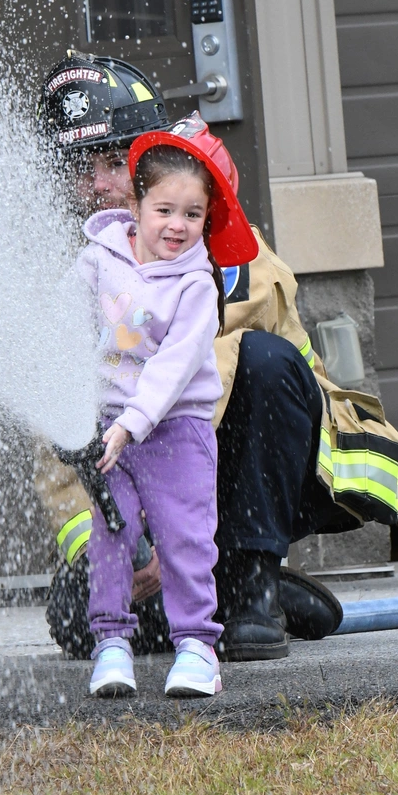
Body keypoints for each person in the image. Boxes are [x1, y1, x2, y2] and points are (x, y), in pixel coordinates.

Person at [38, 52, 398, 663]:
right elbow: (56, 445)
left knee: (263, 358)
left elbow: (264, 382)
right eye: (82, 170)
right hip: (144, 498)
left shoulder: (225, 248)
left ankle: (251, 575)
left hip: (229, 474)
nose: (98, 183)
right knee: (76, 621)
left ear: (151, 164)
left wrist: (182, 522)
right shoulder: (80, 269)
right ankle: (222, 590)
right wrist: (124, 547)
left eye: (112, 162)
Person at [79, 114, 259, 699]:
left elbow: (173, 366)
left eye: (193, 215)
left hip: (176, 430)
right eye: (164, 211)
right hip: (110, 432)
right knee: (112, 532)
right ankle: (110, 643)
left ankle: (197, 647)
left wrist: (132, 425)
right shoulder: (97, 261)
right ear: (136, 203)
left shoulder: (197, 285)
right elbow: (63, 327)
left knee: (185, 537)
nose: (177, 226)